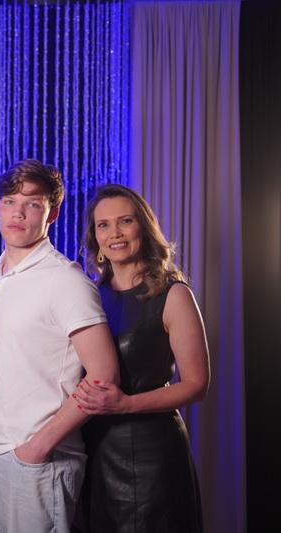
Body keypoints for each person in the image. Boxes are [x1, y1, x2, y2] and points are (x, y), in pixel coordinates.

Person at [0, 159, 119, 533]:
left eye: (33, 204)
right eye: (9, 201)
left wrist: (37, 448)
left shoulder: (64, 280)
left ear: (52, 213)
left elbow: (103, 376)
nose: (18, 213)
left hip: (39, 459)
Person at [74, 183, 208, 533]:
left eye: (125, 221)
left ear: (143, 228)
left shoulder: (174, 294)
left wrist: (126, 405)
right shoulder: (88, 297)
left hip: (152, 455)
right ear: (95, 236)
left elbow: (197, 385)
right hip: (94, 450)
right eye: (103, 225)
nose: (114, 233)